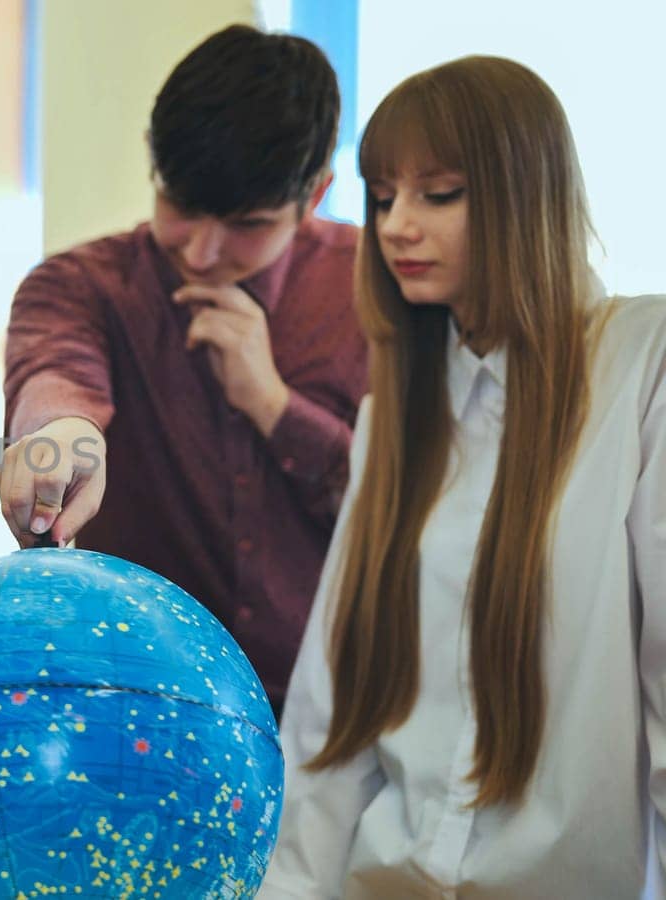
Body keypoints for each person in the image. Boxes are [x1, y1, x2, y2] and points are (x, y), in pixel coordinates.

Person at [259, 56, 666, 898]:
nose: (397, 225)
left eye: (438, 194)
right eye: (381, 197)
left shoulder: (641, 371)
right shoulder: (395, 421)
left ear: (526, 192)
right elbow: (329, 721)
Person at [0, 24, 366, 713]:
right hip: (136, 721)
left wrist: (276, 409)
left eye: (247, 224)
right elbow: (55, 375)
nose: (200, 252)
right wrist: (59, 444)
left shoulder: (378, 295)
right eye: (181, 206)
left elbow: (423, 520)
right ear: (152, 162)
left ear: (315, 195)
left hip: (347, 729)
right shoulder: (81, 286)